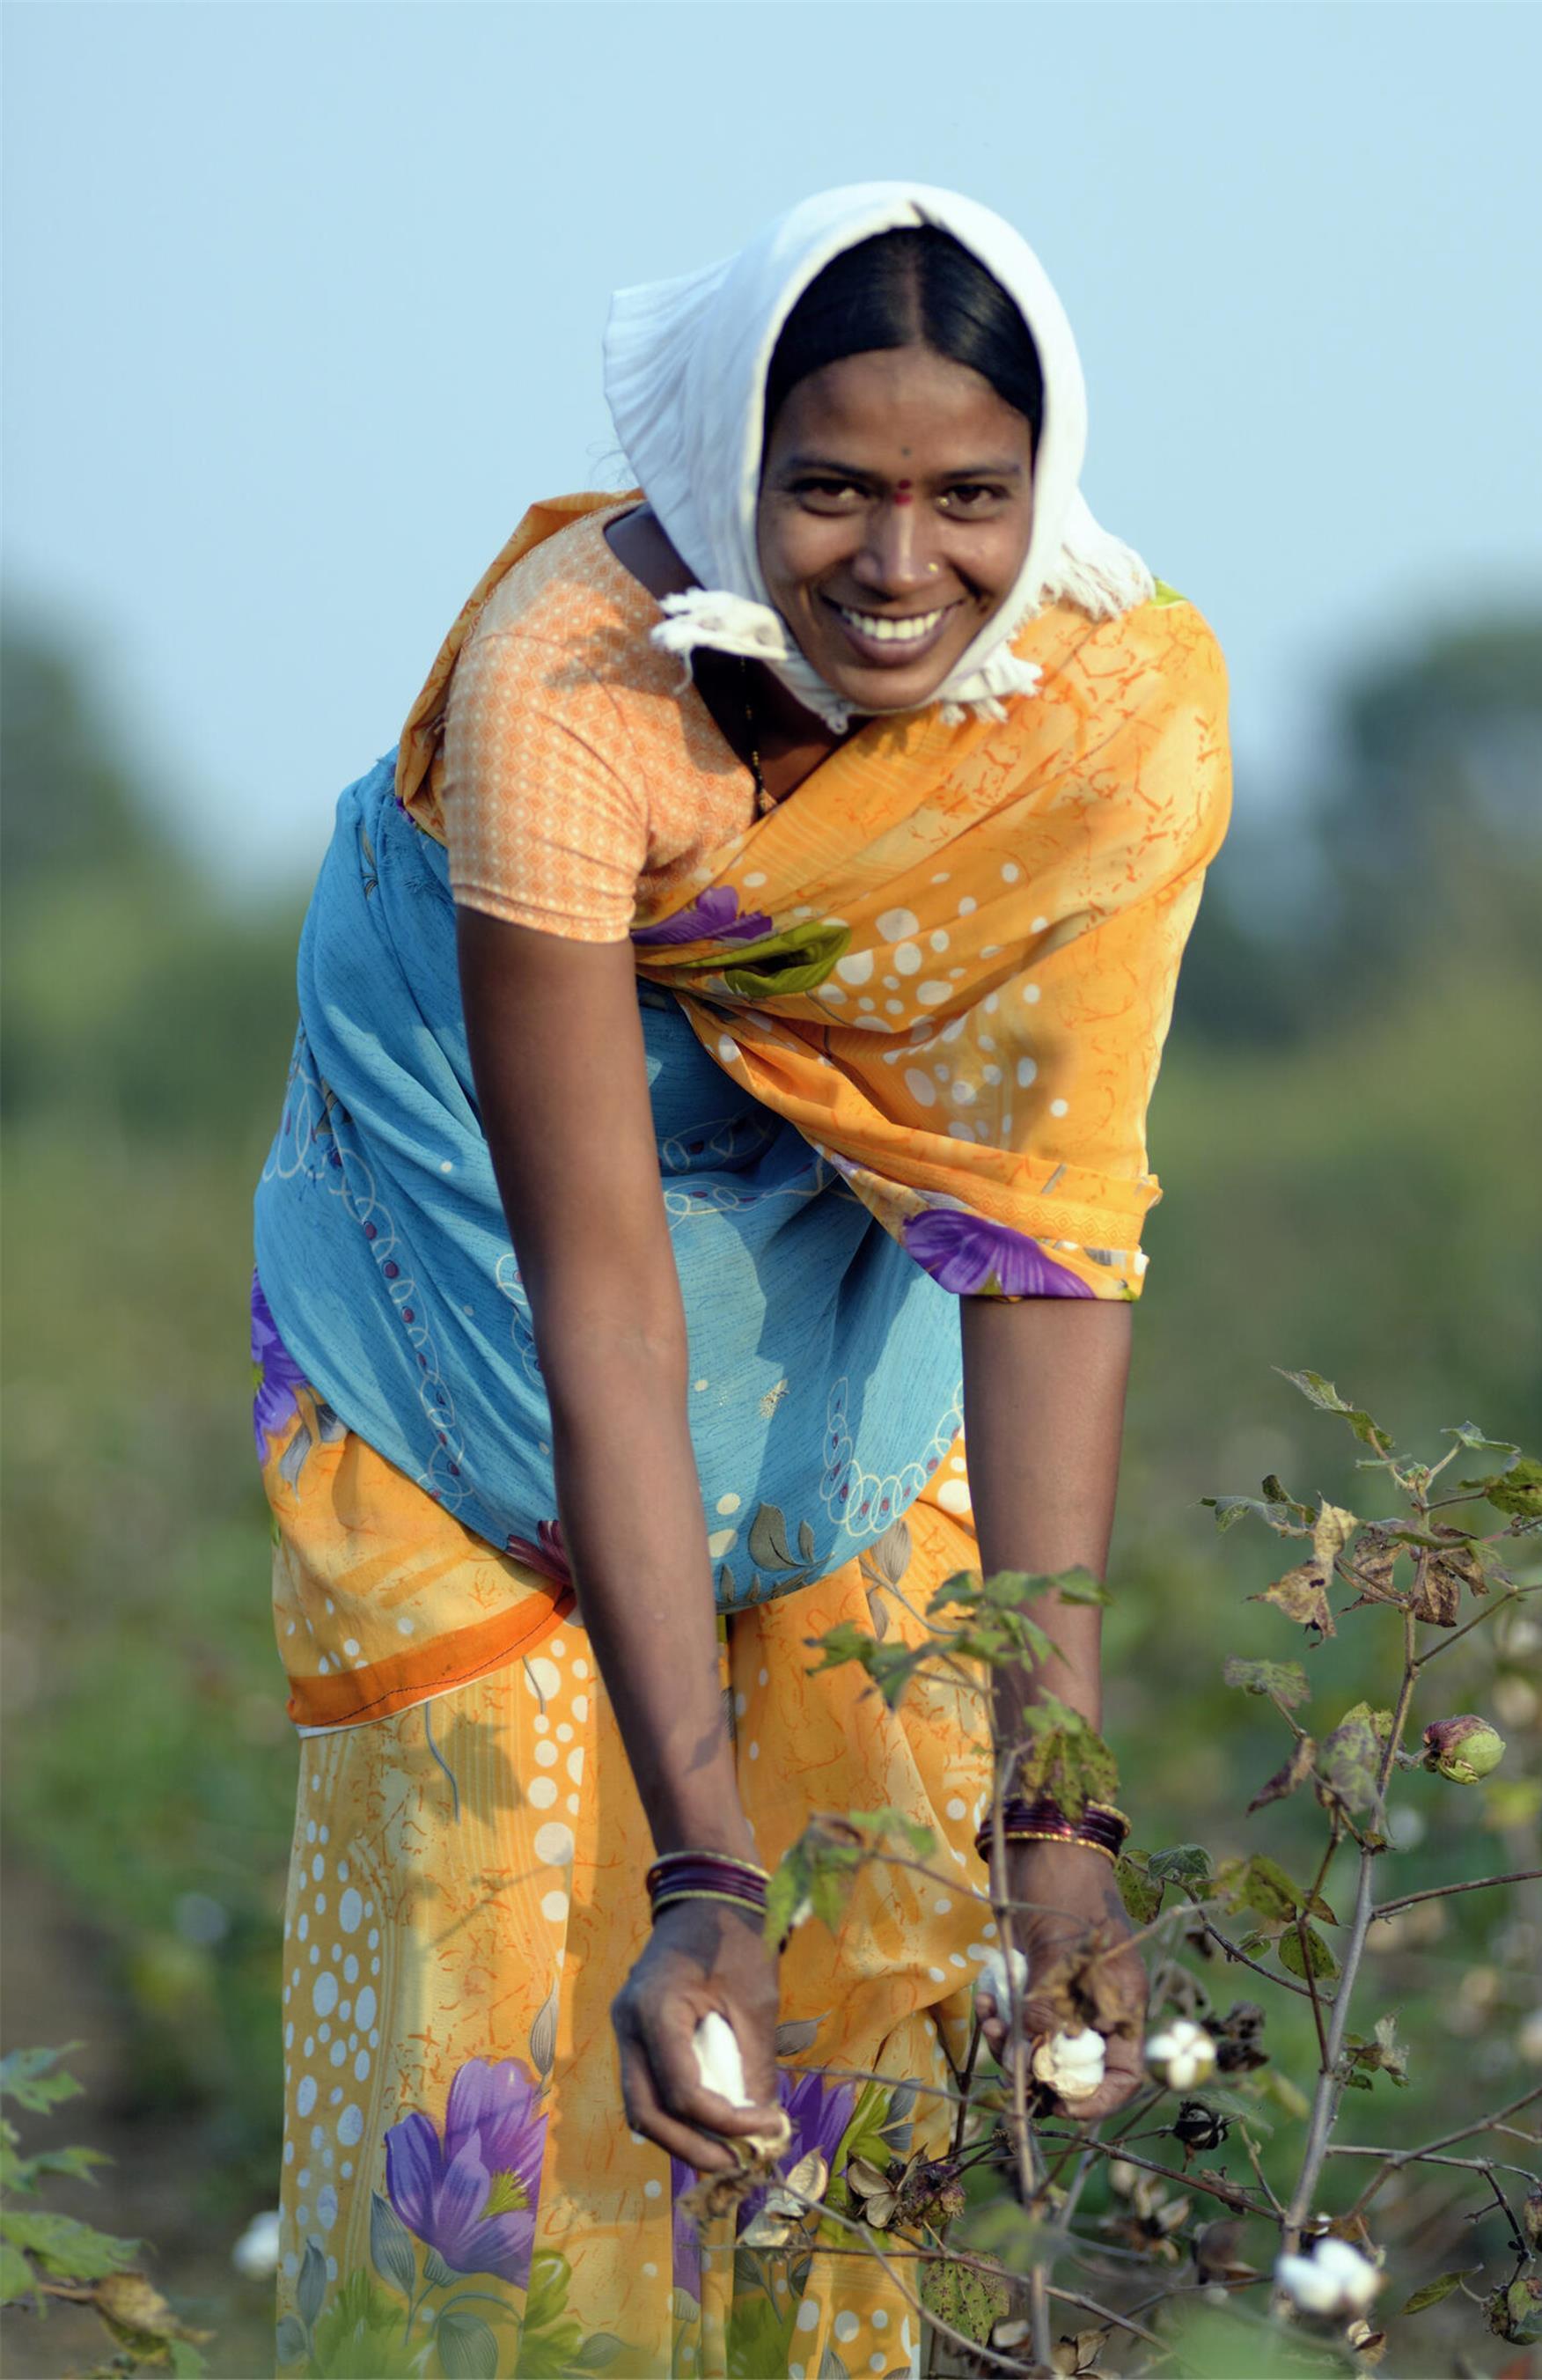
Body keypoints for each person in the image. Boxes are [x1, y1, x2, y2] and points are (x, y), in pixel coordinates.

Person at [253, 182, 1230, 2379]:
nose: (903, 570)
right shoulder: (567, 691)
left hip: (832, 1312)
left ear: (1039, 486)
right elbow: (595, 1300)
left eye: (971, 497)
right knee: (490, 2014)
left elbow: (1046, 1226)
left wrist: (1057, 1816)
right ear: (732, 476)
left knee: (877, 1969)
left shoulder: (1109, 717)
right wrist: (704, 1876)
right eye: (834, 492)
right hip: (471, 1307)